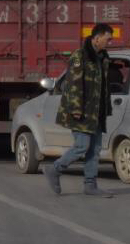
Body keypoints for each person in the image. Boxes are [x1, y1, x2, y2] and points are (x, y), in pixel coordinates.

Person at [47, 23, 115, 197]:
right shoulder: (80, 56)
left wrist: (106, 108)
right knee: (81, 146)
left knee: (95, 149)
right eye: (107, 39)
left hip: (96, 112)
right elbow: (74, 84)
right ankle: (54, 169)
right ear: (97, 38)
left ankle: (90, 185)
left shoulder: (103, 57)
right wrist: (76, 109)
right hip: (81, 111)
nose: (109, 42)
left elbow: (104, 87)